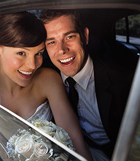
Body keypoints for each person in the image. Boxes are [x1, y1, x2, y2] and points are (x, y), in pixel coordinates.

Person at [0, 12, 92, 161]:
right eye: (21, 53)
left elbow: (74, 140)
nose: (32, 65)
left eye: (39, 53)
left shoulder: (48, 79)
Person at [40, 10, 134, 160]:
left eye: (69, 37)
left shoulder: (122, 81)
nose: (62, 50)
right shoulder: (44, 76)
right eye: (52, 42)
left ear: (85, 36)